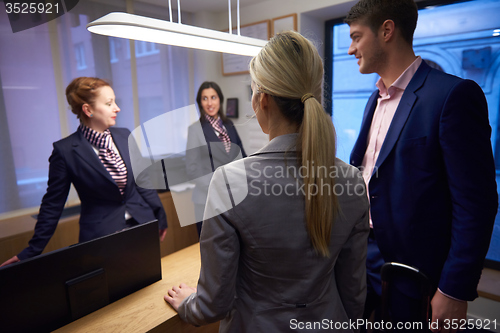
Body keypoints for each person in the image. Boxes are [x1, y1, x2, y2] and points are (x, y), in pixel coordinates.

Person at [164, 31, 370, 332]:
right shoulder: (352, 181)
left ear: (263, 100)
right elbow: (353, 293)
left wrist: (187, 303)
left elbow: (213, 304)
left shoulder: (229, 182)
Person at [346, 0, 498, 331]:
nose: (350, 49)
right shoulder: (375, 100)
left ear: (386, 30)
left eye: (356, 37)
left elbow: (476, 205)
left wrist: (454, 289)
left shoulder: (453, 96)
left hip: (419, 276)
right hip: (365, 261)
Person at [0, 77, 168, 267]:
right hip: (101, 237)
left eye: (115, 101)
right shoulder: (65, 151)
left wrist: (160, 216)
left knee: (148, 286)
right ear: (88, 110)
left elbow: (142, 179)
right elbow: (53, 204)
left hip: (142, 225)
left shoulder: (124, 135)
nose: (117, 108)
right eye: (109, 103)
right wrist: (31, 250)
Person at [186, 81, 246, 236]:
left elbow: (242, 157)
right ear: (200, 102)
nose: (210, 103)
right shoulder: (195, 130)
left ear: (220, 99)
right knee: (210, 250)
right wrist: (219, 187)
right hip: (207, 199)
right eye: (204, 98)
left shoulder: (229, 125)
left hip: (233, 197)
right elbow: (192, 169)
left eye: (213, 97)